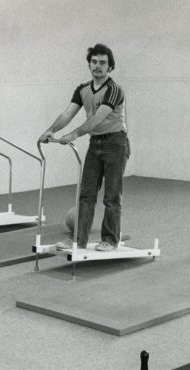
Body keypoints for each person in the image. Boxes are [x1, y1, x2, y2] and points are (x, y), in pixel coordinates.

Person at [38, 43, 129, 252]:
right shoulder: (82, 89)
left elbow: (98, 118)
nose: (98, 66)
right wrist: (50, 131)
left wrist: (73, 134)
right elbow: (67, 114)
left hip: (116, 143)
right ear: (89, 65)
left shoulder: (114, 90)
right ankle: (79, 239)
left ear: (110, 67)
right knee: (86, 194)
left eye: (103, 63)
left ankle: (110, 240)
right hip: (95, 143)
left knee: (112, 196)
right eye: (94, 62)